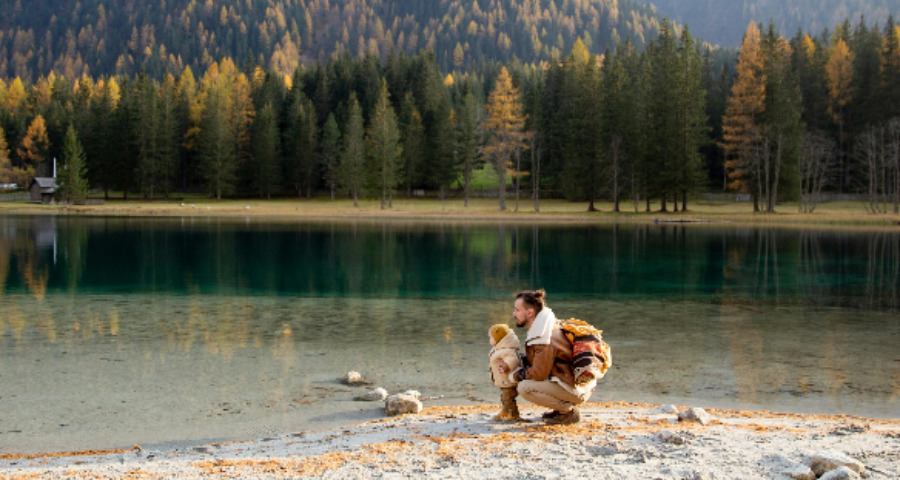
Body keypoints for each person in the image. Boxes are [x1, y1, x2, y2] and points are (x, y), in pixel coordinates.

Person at [510, 289, 596, 425]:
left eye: (517, 310)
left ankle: (568, 412)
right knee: (526, 380)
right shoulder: (547, 326)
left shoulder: (543, 338)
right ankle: (560, 410)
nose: (514, 314)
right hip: (576, 384)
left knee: (524, 387)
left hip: (575, 389)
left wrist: (515, 375)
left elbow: (539, 374)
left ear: (530, 312)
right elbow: (544, 362)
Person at [488, 323, 522, 421]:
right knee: (504, 397)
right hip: (503, 380)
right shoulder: (499, 349)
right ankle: (505, 411)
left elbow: (513, 360)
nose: (489, 339)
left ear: (499, 339)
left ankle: (513, 414)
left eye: (491, 337)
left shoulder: (507, 350)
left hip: (508, 380)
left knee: (508, 398)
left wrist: (506, 365)